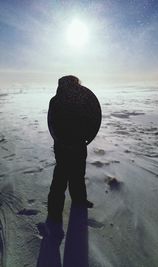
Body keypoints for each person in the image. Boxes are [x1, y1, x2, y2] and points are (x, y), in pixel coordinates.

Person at [47, 75, 98, 223]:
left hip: (79, 144)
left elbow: (92, 118)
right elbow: (53, 123)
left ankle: (79, 201)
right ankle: (54, 212)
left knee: (77, 175)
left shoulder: (83, 100)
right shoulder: (56, 101)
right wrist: (63, 141)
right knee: (60, 178)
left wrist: (86, 136)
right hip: (63, 145)